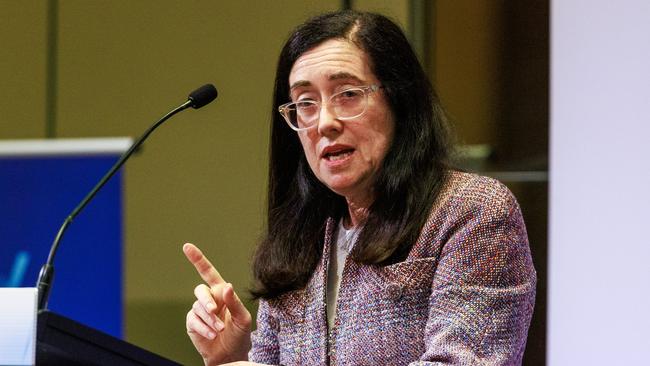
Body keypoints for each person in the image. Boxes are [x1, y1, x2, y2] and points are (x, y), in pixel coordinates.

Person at [183, 10, 536, 366]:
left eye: (348, 94)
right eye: (305, 103)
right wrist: (233, 356)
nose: (324, 122)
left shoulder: (471, 211)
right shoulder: (301, 239)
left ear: (399, 100)